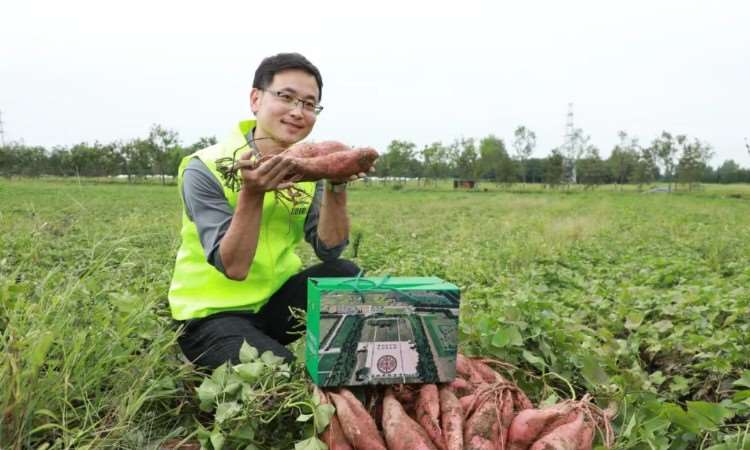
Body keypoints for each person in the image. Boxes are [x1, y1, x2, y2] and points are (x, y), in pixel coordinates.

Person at [168, 52, 368, 369]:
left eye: (308, 103)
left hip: (273, 306)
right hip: (211, 314)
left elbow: (329, 250)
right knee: (277, 376)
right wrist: (253, 193)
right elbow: (233, 267)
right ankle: (213, 353)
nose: (297, 112)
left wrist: (336, 184)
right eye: (286, 97)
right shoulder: (205, 167)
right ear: (256, 99)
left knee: (345, 275)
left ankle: (342, 363)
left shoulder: (304, 168)